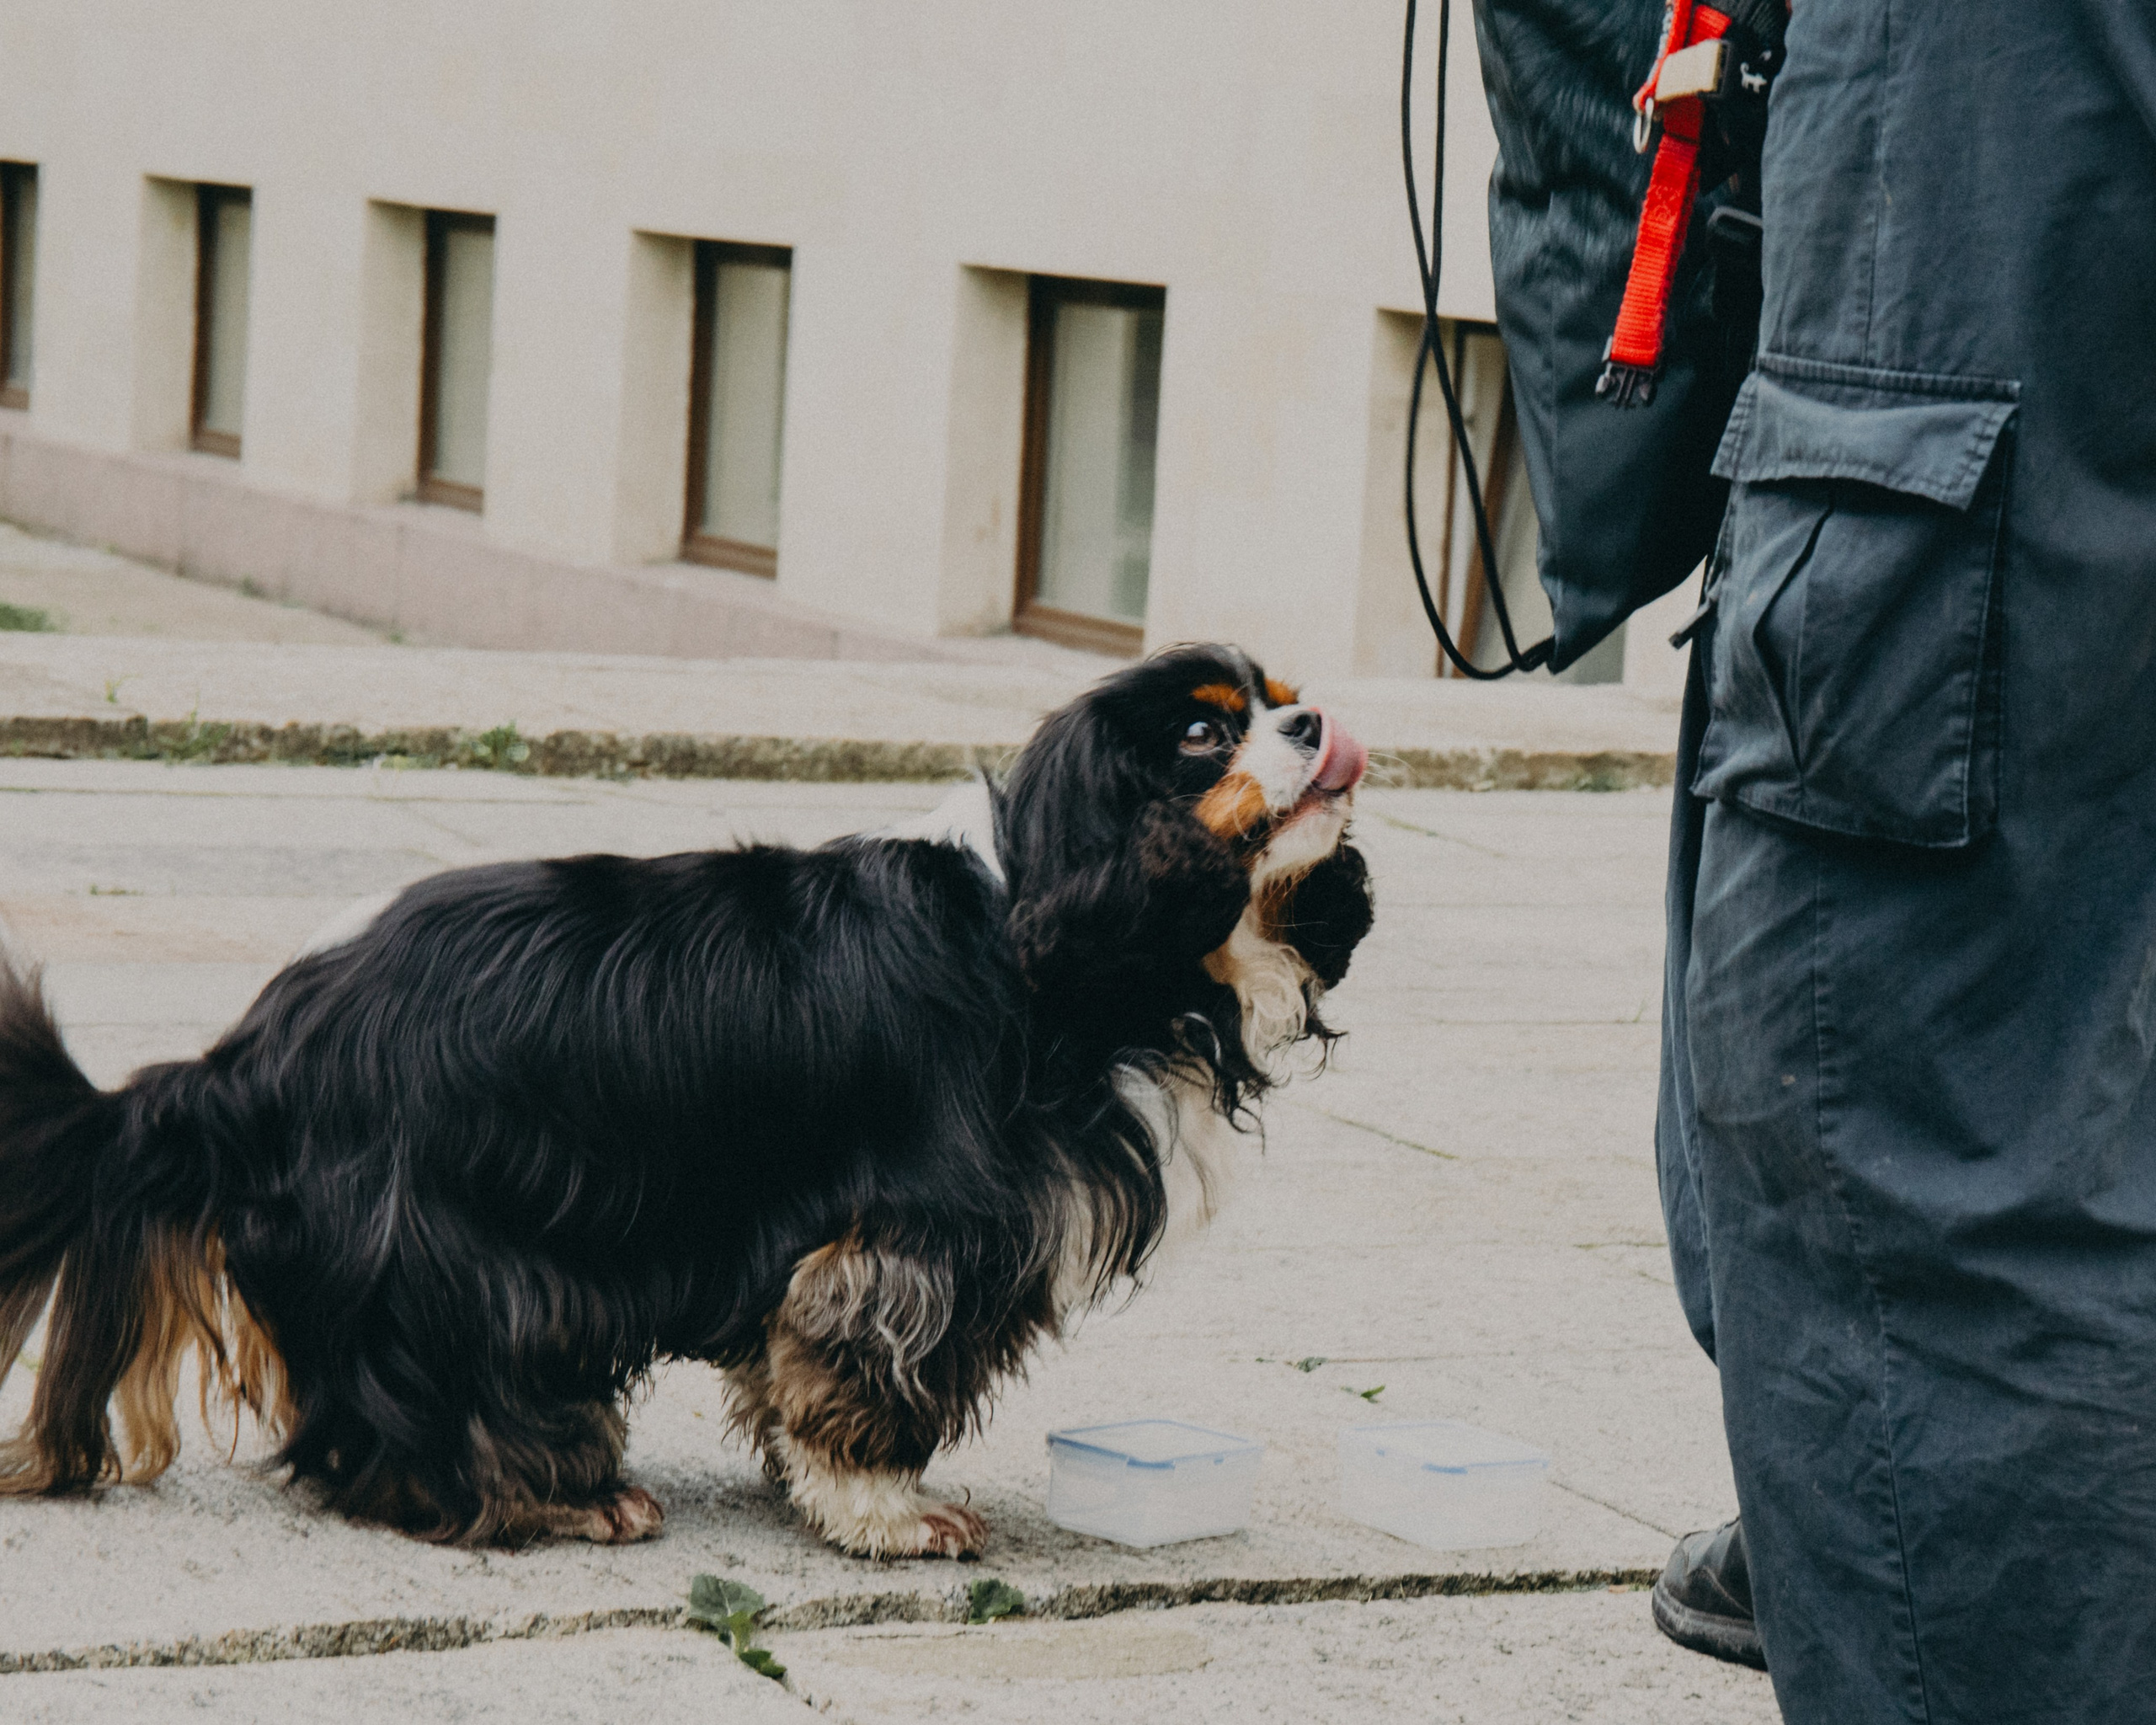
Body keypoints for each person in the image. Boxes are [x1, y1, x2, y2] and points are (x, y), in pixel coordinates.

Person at [1468, 2, 2156, 1717]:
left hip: (1987, 135)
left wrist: (1622, 459)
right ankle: (1875, 1504)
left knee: (1894, 1102)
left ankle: (1944, 1534)